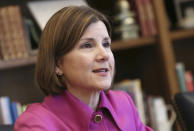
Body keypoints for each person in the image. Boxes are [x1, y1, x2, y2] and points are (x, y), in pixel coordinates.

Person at [14, 6, 153, 131]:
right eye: (87, 45)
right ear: (57, 64)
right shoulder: (35, 123)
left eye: (106, 44)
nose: (104, 55)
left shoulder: (123, 103)